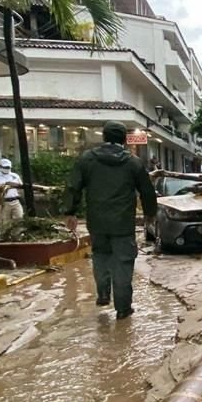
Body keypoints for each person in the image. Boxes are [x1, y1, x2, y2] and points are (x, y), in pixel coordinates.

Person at [64, 121, 158, 320]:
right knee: (123, 262)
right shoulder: (133, 162)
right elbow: (147, 191)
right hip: (123, 224)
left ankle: (103, 294)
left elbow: (73, 186)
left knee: (100, 256)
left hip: (96, 222)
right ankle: (123, 308)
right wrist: (151, 214)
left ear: (104, 137)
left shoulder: (87, 160)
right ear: (124, 139)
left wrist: (70, 212)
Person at [0, 158, 24, 229]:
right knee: (4, 221)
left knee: (19, 218)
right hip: (3, 202)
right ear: (0, 167)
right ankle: (3, 236)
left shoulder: (15, 176)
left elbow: (20, 186)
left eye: (8, 167)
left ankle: (17, 236)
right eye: (5, 167)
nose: (6, 169)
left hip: (15, 200)